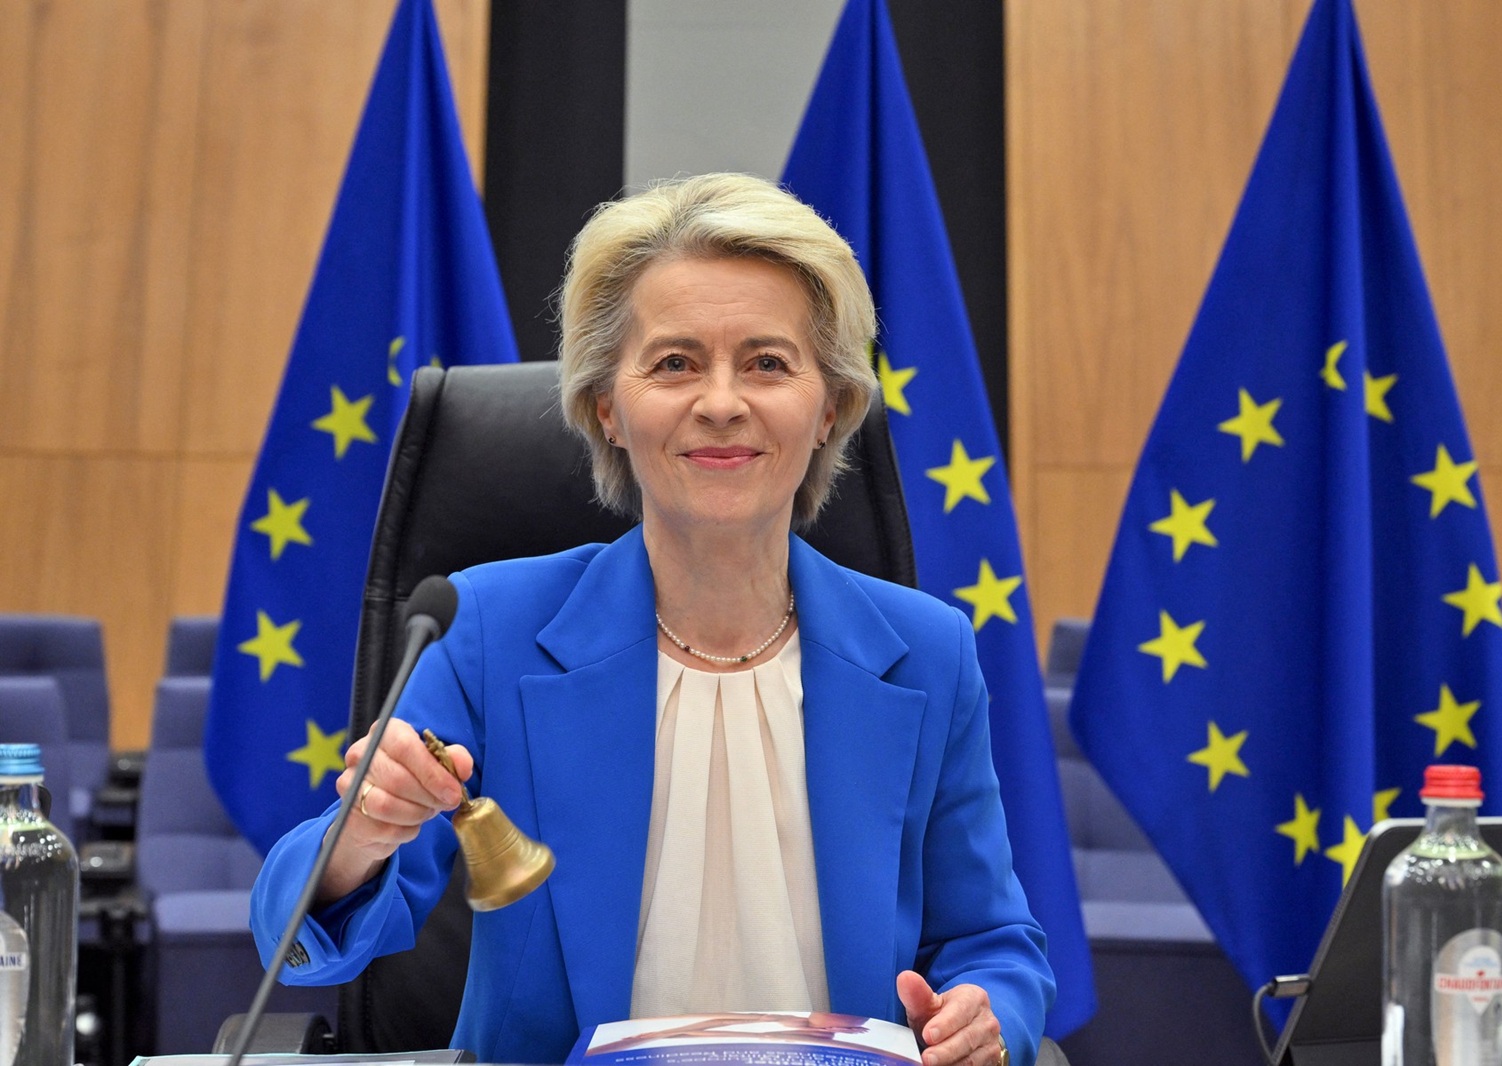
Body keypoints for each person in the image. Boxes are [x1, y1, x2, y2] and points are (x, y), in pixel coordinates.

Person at [251, 173, 1055, 1066]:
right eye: (674, 363)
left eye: (767, 362)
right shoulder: (485, 629)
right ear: (609, 407)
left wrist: (989, 1017)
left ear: (829, 407)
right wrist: (361, 834)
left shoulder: (926, 653)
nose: (721, 402)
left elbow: (995, 942)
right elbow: (307, 938)